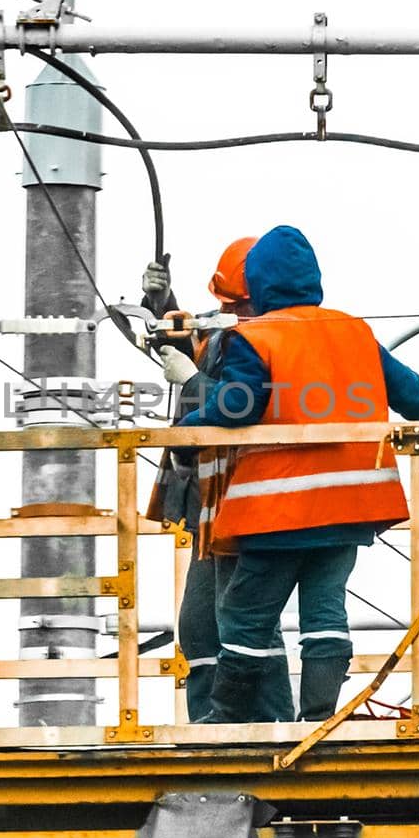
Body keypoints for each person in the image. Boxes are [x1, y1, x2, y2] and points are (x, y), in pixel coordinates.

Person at [178, 225, 419, 725]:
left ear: (260, 285)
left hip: (277, 512)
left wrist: (186, 433)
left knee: (244, 617)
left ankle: (225, 720)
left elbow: (237, 407)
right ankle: (318, 718)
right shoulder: (354, 332)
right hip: (352, 508)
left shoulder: (255, 336)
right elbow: (414, 396)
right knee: (324, 613)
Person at [141, 241, 294, 723]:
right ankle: (217, 721)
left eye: (235, 303)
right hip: (215, 501)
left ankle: (261, 722)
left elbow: (246, 410)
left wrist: (189, 381)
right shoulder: (236, 334)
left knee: (242, 620)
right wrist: (163, 306)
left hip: (244, 499)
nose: (228, 311)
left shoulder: (272, 341)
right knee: (207, 624)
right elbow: (202, 351)